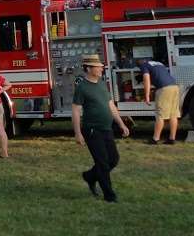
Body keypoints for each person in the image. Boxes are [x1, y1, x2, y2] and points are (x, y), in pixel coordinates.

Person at [72, 54, 130, 203]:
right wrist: (78, 134)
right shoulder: (82, 88)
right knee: (103, 163)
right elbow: (76, 111)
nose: (101, 69)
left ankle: (90, 176)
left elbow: (110, 105)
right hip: (92, 130)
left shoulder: (101, 84)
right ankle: (109, 196)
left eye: (101, 66)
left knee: (113, 159)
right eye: (98, 67)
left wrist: (121, 123)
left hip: (106, 128)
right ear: (89, 68)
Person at [139, 58, 180, 144]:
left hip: (164, 89)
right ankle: (172, 139)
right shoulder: (159, 63)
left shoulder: (144, 65)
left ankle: (155, 139)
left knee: (160, 115)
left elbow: (146, 80)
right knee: (173, 114)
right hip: (174, 87)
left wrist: (147, 95)